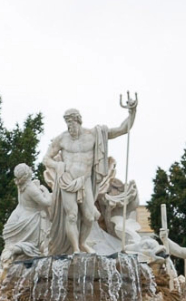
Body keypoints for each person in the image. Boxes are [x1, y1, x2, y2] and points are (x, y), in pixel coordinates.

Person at [43, 99, 137, 254]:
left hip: (85, 180)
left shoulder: (94, 135)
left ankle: (82, 243)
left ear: (78, 120)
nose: (69, 127)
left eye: (71, 123)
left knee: (90, 216)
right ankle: (75, 249)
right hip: (67, 180)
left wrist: (132, 111)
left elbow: (122, 129)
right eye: (67, 123)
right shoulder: (62, 138)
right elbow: (46, 159)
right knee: (71, 215)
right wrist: (58, 166)